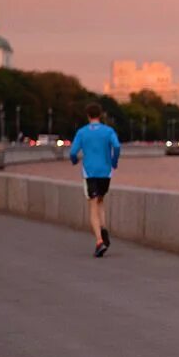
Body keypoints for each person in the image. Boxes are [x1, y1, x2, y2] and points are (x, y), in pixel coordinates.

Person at [68, 103, 121, 257]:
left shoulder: (82, 132)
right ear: (100, 115)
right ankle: (103, 227)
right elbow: (116, 146)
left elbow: (73, 152)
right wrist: (114, 161)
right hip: (105, 172)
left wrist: (74, 160)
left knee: (92, 205)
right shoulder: (108, 131)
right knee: (100, 201)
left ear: (88, 115)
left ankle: (99, 241)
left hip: (89, 172)